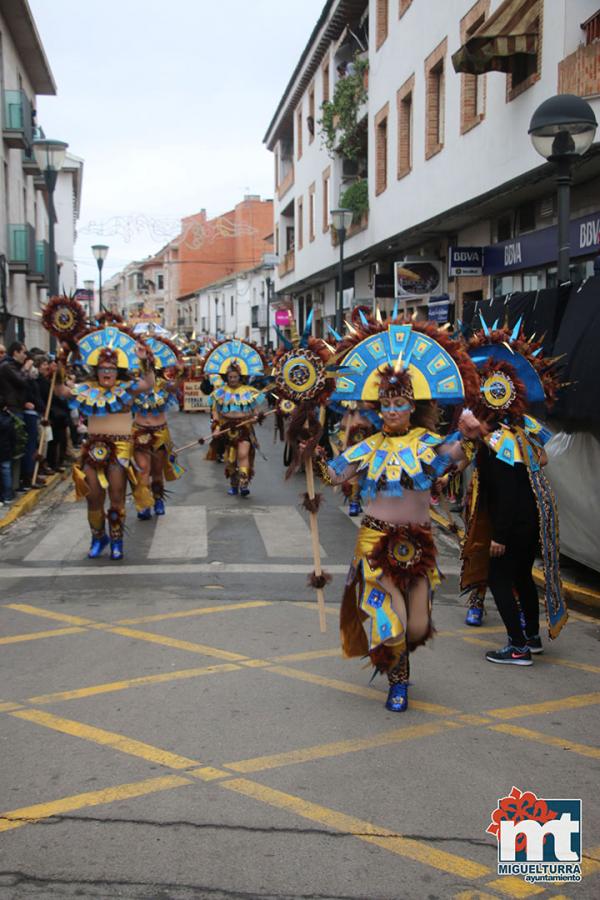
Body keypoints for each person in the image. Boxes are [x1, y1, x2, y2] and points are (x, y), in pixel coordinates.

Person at [312, 320, 478, 712]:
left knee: (418, 625)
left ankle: (400, 659)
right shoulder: (367, 446)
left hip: (418, 543)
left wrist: (470, 433)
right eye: (385, 404)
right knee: (394, 622)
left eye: (399, 403)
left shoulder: (429, 443)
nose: (391, 411)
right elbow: (336, 475)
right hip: (375, 543)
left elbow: (456, 454)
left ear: (413, 407)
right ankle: (398, 683)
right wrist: (315, 452)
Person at [461, 320, 567, 664]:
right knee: (521, 575)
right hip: (531, 522)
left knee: (499, 579)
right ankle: (533, 637)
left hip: (513, 526)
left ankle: (518, 646)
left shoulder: (499, 446)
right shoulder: (520, 433)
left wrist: (499, 535)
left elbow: (507, 491)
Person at [69, 326, 154, 560]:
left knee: (116, 495)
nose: (107, 373)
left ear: (118, 371)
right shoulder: (87, 390)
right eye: (103, 369)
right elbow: (61, 391)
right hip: (93, 448)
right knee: (93, 495)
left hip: (122, 448)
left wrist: (145, 361)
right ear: (97, 371)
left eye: (112, 369)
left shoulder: (127, 389)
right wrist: (56, 370)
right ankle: (98, 537)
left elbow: (149, 384)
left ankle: (117, 541)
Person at [200, 340, 267, 497]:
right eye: (230, 376)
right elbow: (216, 411)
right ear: (226, 377)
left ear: (240, 377)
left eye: (235, 376)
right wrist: (216, 426)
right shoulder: (219, 393)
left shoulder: (249, 391)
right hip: (227, 428)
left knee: (243, 454)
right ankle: (234, 484)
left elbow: (256, 410)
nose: (233, 379)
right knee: (230, 459)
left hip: (244, 428)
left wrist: (257, 416)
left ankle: (244, 484)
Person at [131, 336, 184, 519]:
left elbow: (176, 386)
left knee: (157, 471)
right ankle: (144, 504)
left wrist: (181, 374)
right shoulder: (135, 386)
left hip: (160, 433)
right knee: (143, 469)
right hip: (139, 432)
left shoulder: (163, 385)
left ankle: (158, 498)